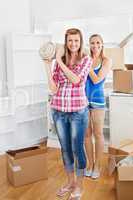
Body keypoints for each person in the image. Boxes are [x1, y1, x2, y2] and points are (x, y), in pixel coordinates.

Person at [44, 28, 92, 199]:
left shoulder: (86, 59)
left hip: (78, 111)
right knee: (65, 149)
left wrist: (59, 60)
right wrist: (47, 65)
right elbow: (53, 88)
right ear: (66, 42)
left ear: (81, 42)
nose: (73, 44)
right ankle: (70, 182)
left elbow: (76, 80)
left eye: (76, 41)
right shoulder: (59, 61)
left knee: (77, 148)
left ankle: (79, 185)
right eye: (70, 40)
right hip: (58, 110)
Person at [84, 34, 112, 179]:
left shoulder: (106, 61)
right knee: (86, 135)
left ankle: (97, 166)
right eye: (92, 43)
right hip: (83, 101)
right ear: (89, 45)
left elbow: (96, 80)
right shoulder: (85, 59)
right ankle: (90, 164)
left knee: (98, 134)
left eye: (98, 43)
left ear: (102, 44)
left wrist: (86, 65)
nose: (95, 46)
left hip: (97, 101)